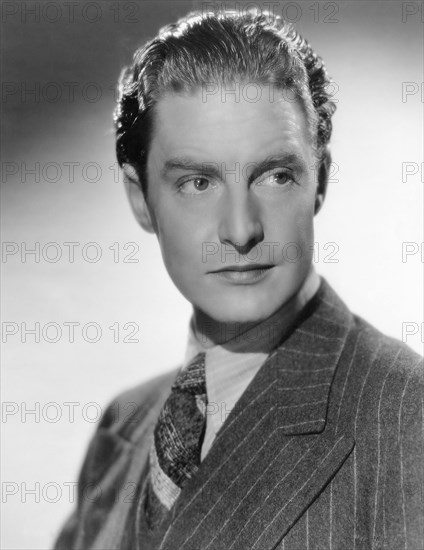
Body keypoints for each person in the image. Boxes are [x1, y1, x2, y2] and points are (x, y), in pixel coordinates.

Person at [54, 8, 423, 550]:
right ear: (141, 199)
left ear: (319, 180)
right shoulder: (122, 429)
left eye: (275, 176)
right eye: (197, 183)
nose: (241, 229)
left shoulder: (406, 421)